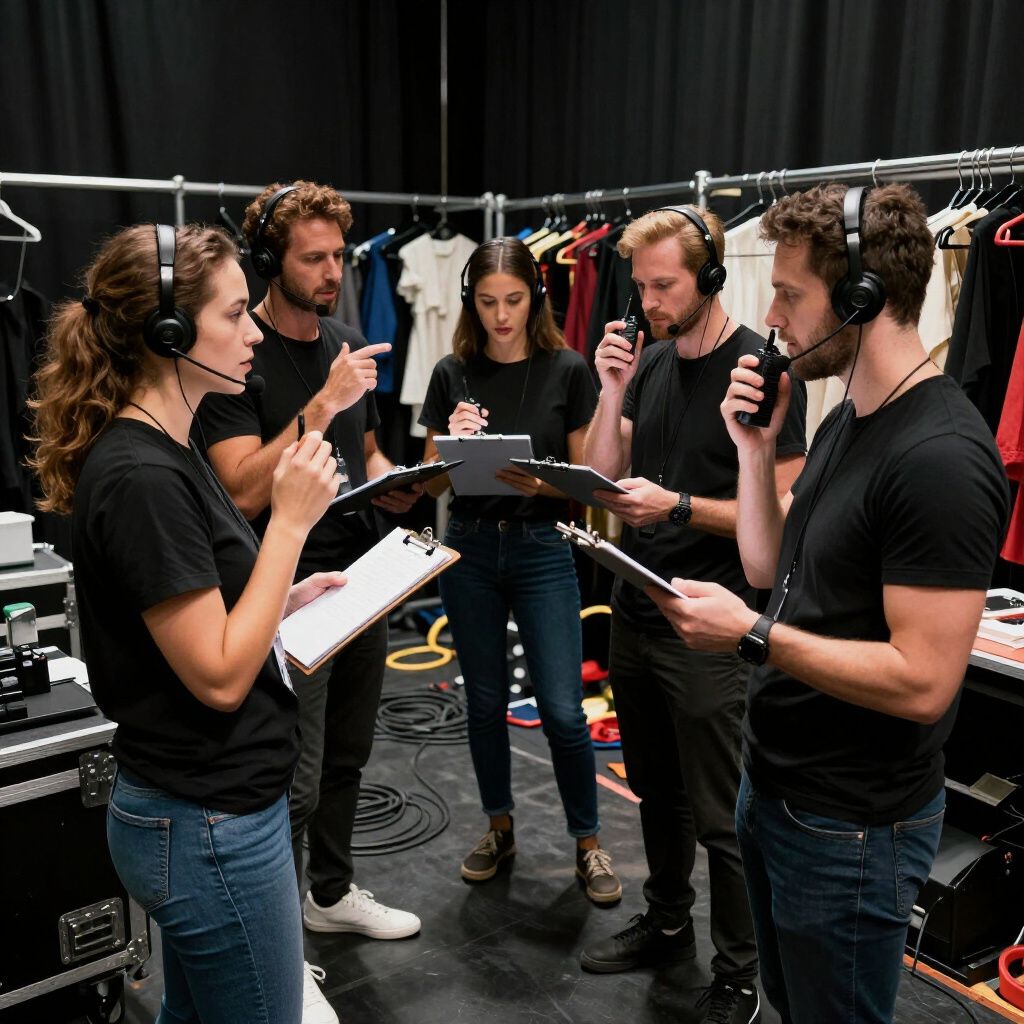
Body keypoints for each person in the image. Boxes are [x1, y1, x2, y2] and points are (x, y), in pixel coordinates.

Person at [649, 183, 1010, 1024]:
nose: (771, 316)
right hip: (779, 787)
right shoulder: (849, 416)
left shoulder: (941, 458)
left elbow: (924, 681)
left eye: (788, 294)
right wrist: (753, 449)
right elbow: (768, 564)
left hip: (851, 826)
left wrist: (752, 637)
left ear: (860, 299)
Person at [30, 222, 343, 1024]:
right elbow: (219, 678)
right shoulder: (142, 475)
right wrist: (290, 523)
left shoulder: (171, 447)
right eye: (235, 315)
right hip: (209, 825)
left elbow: (195, 621)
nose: (254, 333)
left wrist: (279, 603)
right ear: (168, 333)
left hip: (206, 815)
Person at [581, 205, 807, 1024]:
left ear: (710, 276)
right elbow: (603, 474)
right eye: (640, 287)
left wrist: (677, 506)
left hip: (712, 624)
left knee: (721, 813)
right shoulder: (649, 363)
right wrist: (611, 390)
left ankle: (741, 974)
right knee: (655, 790)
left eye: (665, 286)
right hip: (637, 609)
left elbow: (783, 509)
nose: (648, 302)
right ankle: (669, 920)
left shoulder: (757, 371)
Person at [196, 181, 423, 948]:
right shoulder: (238, 355)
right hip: (286, 590)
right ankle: (280, 942)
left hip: (362, 578)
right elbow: (239, 488)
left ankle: (329, 893)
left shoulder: (345, 342)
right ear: (268, 261)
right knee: (296, 774)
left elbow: (365, 451)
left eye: (338, 256)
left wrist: (395, 482)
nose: (332, 272)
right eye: (313, 258)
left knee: (348, 757)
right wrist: (321, 406)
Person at [418, 236, 621, 903]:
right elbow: (427, 482)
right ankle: (498, 828)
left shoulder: (567, 369)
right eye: (487, 302)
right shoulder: (452, 371)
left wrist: (544, 483)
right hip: (470, 547)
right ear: (469, 303)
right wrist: (451, 440)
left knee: (563, 709)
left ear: (535, 297)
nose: (501, 315)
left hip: (541, 548)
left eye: (512, 300)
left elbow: (590, 480)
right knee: (483, 703)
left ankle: (588, 842)